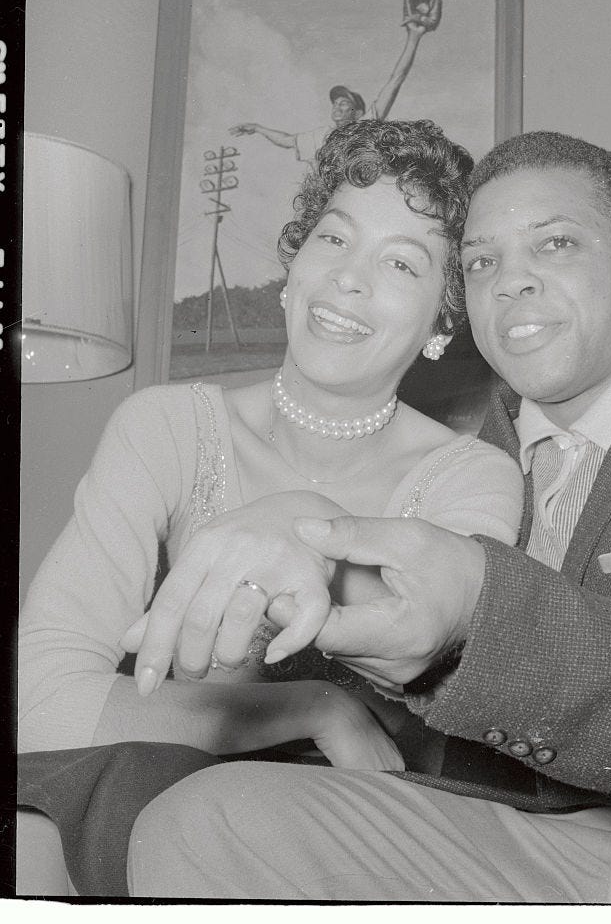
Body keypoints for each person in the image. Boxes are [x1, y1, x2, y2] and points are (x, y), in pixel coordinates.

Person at [127, 131, 611, 903]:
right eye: (481, 262)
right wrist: (311, 550)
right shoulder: (471, 458)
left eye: (557, 244)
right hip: (526, 832)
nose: (513, 283)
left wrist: (476, 609)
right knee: (199, 822)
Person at [17, 119, 524, 896]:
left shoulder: (473, 478)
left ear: (442, 324)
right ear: (293, 268)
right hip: (150, 796)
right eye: (333, 239)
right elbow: (38, 703)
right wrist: (313, 707)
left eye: (400, 262)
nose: (350, 279)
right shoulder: (162, 428)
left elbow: (435, 668)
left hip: (358, 840)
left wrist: (301, 525)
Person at [229, 0, 442, 163]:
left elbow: (396, 80)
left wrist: (414, 36)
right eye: (336, 102)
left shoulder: (365, 126)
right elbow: (286, 140)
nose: (337, 106)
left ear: (357, 113)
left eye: (344, 104)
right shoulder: (322, 136)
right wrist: (257, 128)